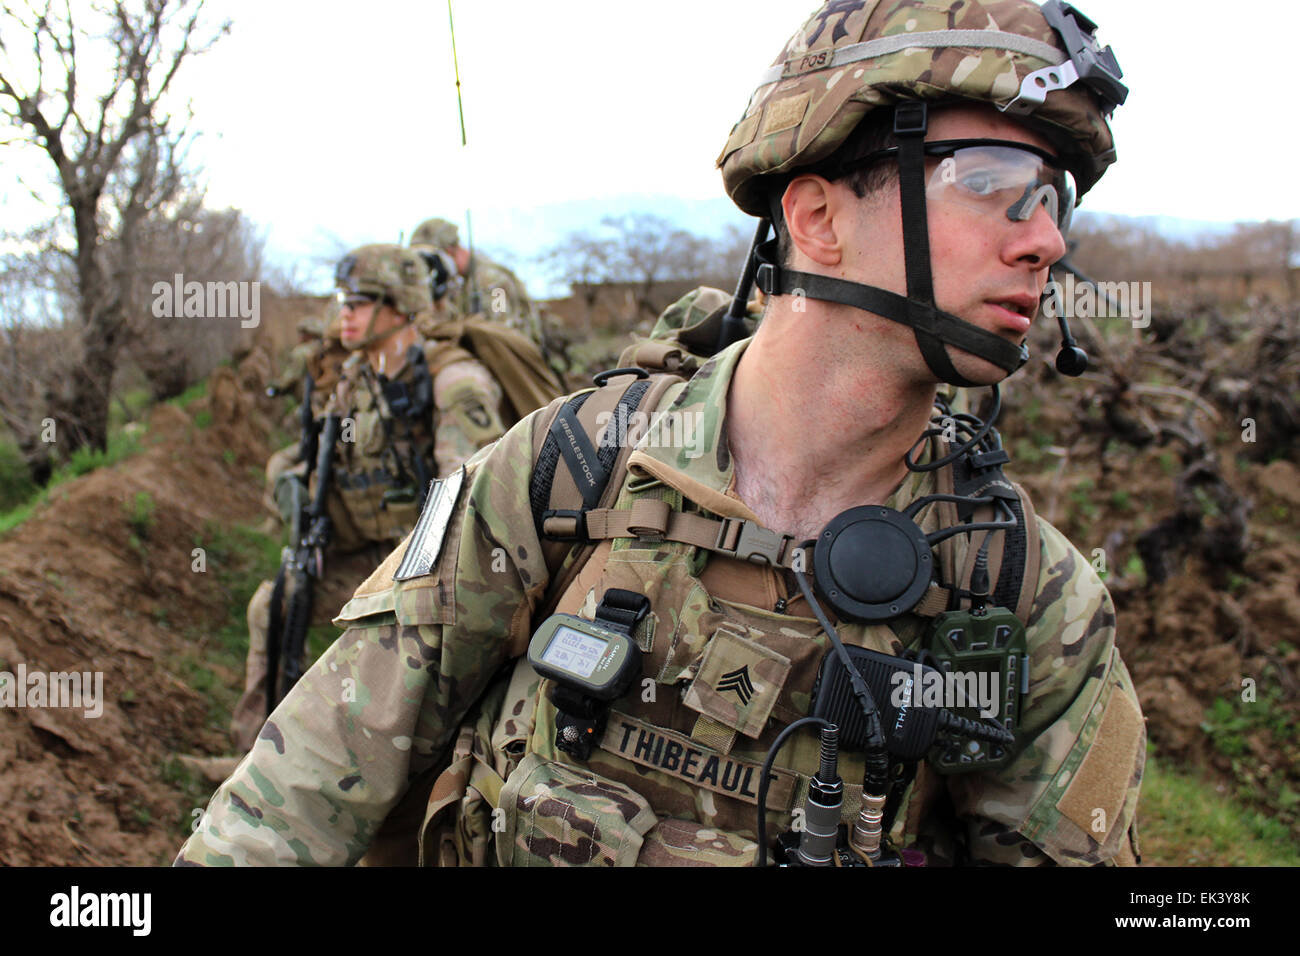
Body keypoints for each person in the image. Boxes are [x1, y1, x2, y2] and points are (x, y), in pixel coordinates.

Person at [179, 0, 1143, 867]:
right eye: (990, 180)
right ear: (814, 217)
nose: (1044, 239)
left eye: (1054, 195)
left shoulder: (1023, 596)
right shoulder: (567, 473)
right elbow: (296, 798)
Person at [225, 243, 509, 753]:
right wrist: (293, 485)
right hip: (365, 555)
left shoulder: (454, 381)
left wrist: (410, 580)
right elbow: (321, 454)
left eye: (356, 304)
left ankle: (391, 772)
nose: (343, 316)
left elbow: (470, 499)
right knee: (273, 605)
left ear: (398, 308)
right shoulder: (355, 376)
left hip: (434, 568)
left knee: (392, 662)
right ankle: (254, 757)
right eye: (343, 302)